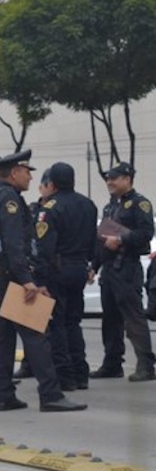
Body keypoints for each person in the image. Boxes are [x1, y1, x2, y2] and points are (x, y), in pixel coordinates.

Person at [0, 150, 86, 412]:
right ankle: (50, 395)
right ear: (14, 173)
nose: (29, 176)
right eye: (27, 170)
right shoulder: (9, 200)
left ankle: (3, 394)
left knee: (2, 336)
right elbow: (14, 244)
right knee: (37, 334)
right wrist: (27, 279)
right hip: (13, 276)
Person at [31, 162, 98, 391]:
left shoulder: (49, 209)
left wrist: (39, 280)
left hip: (57, 271)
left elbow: (44, 249)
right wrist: (91, 265)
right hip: (80, 268)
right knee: (73, 322)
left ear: (52, 184)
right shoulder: (88, 205)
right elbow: (93, 241)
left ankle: (65, 376)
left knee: (57, 323)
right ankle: (81, 373)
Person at [89, 162, 155, 382]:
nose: (110, 182)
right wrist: (94, 267)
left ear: (127, 179)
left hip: (127, 268)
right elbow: (101, 240)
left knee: (133, 318)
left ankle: (146, 365)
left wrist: (121, 239)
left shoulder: (140, 204)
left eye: (114, 178)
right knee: (110, 320)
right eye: (108, 178)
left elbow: (146, 233)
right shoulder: (110, 206)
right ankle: (112, 364)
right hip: (109, 270)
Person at [14, 169, 58, 380]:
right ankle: (30, 366)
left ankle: (48, 373)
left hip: (47, 270)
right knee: (34, 325)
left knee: (42, 326)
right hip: (33, 271)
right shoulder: (32, 209)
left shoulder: (52, 210)